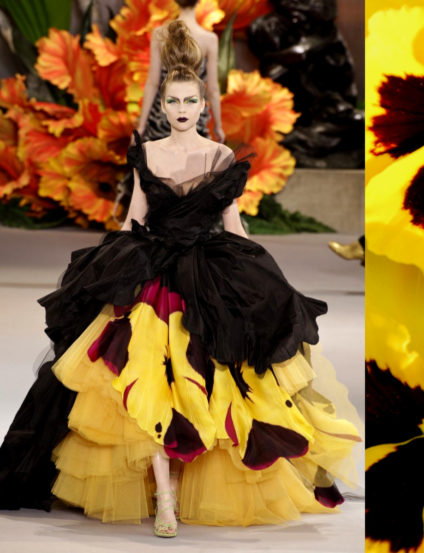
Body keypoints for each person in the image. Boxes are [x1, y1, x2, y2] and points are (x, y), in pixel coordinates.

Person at [0, 19, 359, 539]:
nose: (184, 110)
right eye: (174, 103)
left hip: (206, 274)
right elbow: (134, 220)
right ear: (162, 108)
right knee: (143, 382)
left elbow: (233, 224)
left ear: (202, 105)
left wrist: (261, 279)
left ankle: (180, 487)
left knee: (202, 385)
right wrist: (107, 267)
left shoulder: (219, 156)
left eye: (191, 101)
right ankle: (165, 499)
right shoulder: (146, 153)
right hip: (151, 270)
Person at [136, 0, 225, 143]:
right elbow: (213, 89)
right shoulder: (209, 39)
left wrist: (141, 125)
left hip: (162, 117)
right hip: (193, 117)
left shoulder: (160, 35)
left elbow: (152, 83)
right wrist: (218, 126)